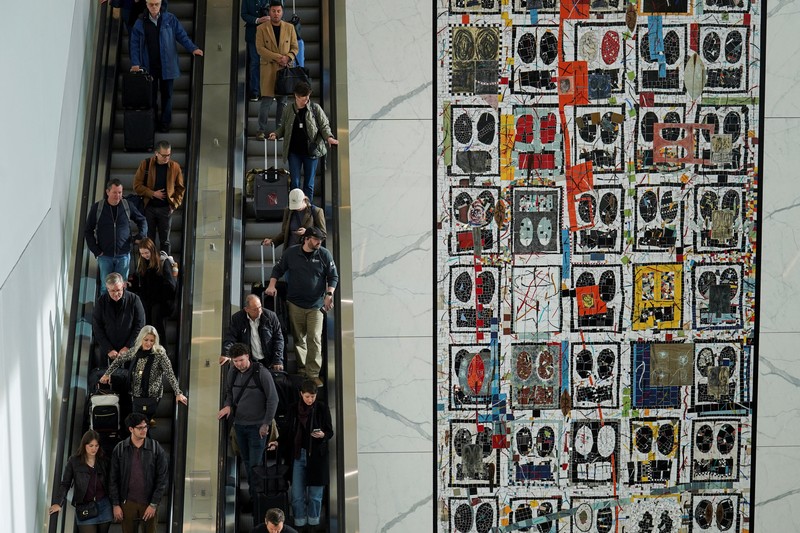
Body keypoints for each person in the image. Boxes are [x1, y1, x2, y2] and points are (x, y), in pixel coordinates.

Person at [265, 227, 338, 385]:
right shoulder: (291, 253)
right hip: (295, 304)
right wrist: (272, 285)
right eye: (316, 239)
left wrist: (329, 294)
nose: (319, 242)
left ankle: (312, 374)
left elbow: (333, 276)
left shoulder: (324, 254)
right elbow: (278, 269)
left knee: (315, 338)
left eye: (320, 240)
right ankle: (302, 369)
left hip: (316, 305)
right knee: (299, 339)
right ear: (306, 238)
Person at [217, 343, 279, 506]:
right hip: (239, 425)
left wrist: (266, 423)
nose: (238, 364)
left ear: (248, 357)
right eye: (235, 361)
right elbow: (229, 392)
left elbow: (273, 399)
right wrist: (228, 405)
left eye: (241, 360)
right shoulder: (233, 372)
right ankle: (255, 495)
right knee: (246, 461)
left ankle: (256, 498)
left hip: (257, 427)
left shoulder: (261, 373)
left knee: (255, 465)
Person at [129, 0, 203, 133]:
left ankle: (165, 123)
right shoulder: (140, 22)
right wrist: (135, 63)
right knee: (150, 97)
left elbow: (182, 36)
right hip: (149, 66)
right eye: (151, 4)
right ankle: (151, 122)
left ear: (161, 3)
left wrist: (193, 48)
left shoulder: (170, 19)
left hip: (167, 65)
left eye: (156, 4)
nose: (154, 7)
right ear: (146, 4)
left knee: (167, 95)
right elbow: (134, 44)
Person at [268, 82, 338, 199]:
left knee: (309, 185)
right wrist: (276, 134)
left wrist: (329, 138)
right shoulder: (288, 109)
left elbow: (324, 126)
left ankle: (308, 211)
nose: (306, 99)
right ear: (296, 95)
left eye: (308, 96)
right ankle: (295, 209)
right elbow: (283, 127)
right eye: (303, 96)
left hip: (311, 152)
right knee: (295, 183)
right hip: (294, 152)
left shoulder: (315, 108)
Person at [100, 325, 187, 420]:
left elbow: (170, 373)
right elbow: (118, 360)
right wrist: (107, 374)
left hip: (152, 396)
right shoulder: (135, 350)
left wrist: (178, 393)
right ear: (141, 338)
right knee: (139, 423)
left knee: (142, 422)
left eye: (152, 341)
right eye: (146, 340)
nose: (149, 343)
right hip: (136, 394)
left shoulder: (160, 354)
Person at [85, 179, 148, 293]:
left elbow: (142, 220)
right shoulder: (97, 208)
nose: (118, 195)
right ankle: (105, 311)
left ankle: (120, 311)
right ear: (107, 192)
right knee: (105, 287)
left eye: (120, 192)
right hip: (104, 256)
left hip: (123, 255)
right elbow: (88, 231)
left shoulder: (127, 205)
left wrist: (140, 235)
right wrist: (96, 250)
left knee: (122, 287)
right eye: (115, 192)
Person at [109, 413, 169, 533]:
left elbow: (162, 478)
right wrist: (116, 504)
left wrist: (153, 504)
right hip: (127, 503)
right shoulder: (120, 449)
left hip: (148, 502)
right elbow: (113, 479)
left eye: (145, 427)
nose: (144, 430)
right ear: (131, 429)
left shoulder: (155, 448)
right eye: (140, 428)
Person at [287, 380, 333, 530]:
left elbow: (330, 431)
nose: (310, 400)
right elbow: (288, 431)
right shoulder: (293, 409)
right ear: (301, 394)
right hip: (298, 455)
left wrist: (323, 434)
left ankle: (313, 525)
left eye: (312, 396)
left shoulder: (321, 408)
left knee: (315, 496)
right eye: (307, 396)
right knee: (297, 495)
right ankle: (299, 525)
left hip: (317, 456)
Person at [49, 430, 113, 533]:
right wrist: (58, 503)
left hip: (104, 505)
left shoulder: (103, 461)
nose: (94, 449)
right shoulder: (74, 461)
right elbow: (65, 483)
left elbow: (112, 482)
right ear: (84, 445)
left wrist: (116, 503)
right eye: (91, 445)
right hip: (84, 507)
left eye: (96, 446)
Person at [133, 141, 185, 256]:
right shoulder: (146, 164)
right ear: (156, 153)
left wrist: (174, 205)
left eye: (169, 155)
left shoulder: (175, 167)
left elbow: (180, 188)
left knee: (165, 241)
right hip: (149, 207)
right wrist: (152, 193)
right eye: (164, 155)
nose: (166, 158)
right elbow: (137, 185)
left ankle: (164, 266)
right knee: (149, 240)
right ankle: (149, 266)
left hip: (166, 208)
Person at [255, 0, 298, 139]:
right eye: (273, 11)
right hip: (268, 68)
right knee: (266, 101)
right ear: (269, 11)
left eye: (278, 11)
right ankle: (261, 130)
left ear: (282, 12)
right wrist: (278, 57)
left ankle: (279, 131)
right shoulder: (261, 28)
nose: (276, 14)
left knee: (282, 102)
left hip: (284, 69)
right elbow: (260, 49)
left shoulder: (290, 27)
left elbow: (295, 47)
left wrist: (288, 57)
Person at [93, 273, 146, 371]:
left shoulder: (134, 300)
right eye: (112, 291)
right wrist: (109, 349)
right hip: (108, 351)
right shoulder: (101, 302)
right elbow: (97, 327)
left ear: (123, 286)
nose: (116, 294)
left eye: (118, 290)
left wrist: (128, 347)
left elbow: (140, 325)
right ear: (107, 289)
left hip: (131, 349)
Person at [129, 238, 177, 343]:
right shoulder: (143, 264)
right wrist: (130, 284)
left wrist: (158, 295)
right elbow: (139, 281)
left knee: (158, 329)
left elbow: (171, 286)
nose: (144, 255)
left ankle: (162, 353)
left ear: (152, 250)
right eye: (142, 253)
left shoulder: (162, 262)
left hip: (160, 303)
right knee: (148, 328)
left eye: (146, 252)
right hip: (148, 303)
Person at [220, 294, 285, 370]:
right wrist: (226, 354)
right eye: (255, 309)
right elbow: (230, 337)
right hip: (249, 361)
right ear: (246, 309)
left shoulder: (271, 316)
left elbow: (278, 339)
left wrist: (277, 360)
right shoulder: (237, 319)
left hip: (268, 360)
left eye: (260, 307)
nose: (259, 311)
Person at [261, 188, 326, 250]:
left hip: (308, 251)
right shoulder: (288, 211)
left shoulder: (316, 211)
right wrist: (272, 241)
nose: (296, 208)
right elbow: (285, 233)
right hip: (290, 250)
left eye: (298, 205)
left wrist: (307, 232)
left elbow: (323, 234)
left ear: (304, 200)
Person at [241, 0, 270, 101]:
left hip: (269, 35)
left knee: (269, 62)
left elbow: (279, 10)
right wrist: (257, 20)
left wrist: (271, 18)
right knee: (255, 62)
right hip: (253, 34)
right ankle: (255, 91)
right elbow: (243, 14)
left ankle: (268, 91)